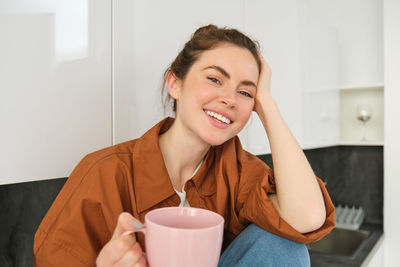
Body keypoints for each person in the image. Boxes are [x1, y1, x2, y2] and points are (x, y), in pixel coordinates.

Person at [34, 24, 335, 266]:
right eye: (215, 79)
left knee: (284, 242)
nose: (230, 99)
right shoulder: (103, 173)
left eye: (245, 93)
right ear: (174, 83)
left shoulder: (240, 171)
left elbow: (306, 218)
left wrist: (267, 104)